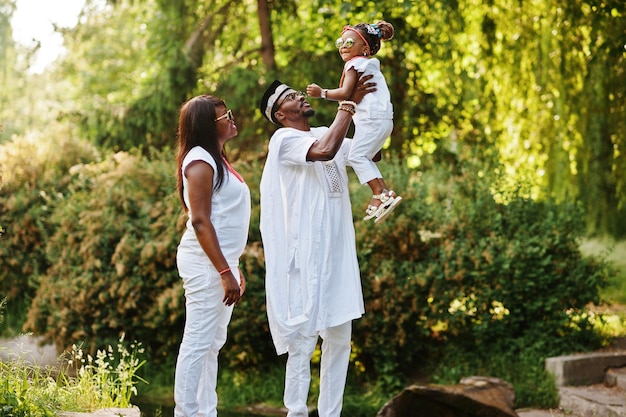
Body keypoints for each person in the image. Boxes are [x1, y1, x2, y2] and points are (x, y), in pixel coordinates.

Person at [259, 74, 375, 417]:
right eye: (293, 97)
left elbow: (371, 153)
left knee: (340, 339)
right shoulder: (284, 139)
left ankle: (330, 414)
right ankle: (296, 412)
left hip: (338, 256)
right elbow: (325, 152)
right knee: (303, 339)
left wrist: (374, 111)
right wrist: (348, 103)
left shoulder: (325, 131)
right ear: (281, 114)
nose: (302, 98)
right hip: (307, 255)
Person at [173, 95, 250, 417]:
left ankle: (206, 412)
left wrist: (234, 265)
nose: (231, 118)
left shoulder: (216, 158)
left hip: (220, 262)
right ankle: (186, 412)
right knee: (198, 341)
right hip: (206, 264)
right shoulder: (200, 161)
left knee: (212, 343)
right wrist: (223, 271)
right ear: (208, 125)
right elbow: (200, 220)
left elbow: (225, 218)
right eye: (224, 116)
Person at [306, 20, 401, 223]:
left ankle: (380, 193)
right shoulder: (369, 66)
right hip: (383, 120)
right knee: (362, 157)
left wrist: (321, 93)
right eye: (340, 42)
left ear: (364, 49)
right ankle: (384, 194)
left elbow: (346, 93)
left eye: (349, 43)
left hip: (371, 120)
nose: (342, 46)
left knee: (357, 157)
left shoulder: (355, 64)